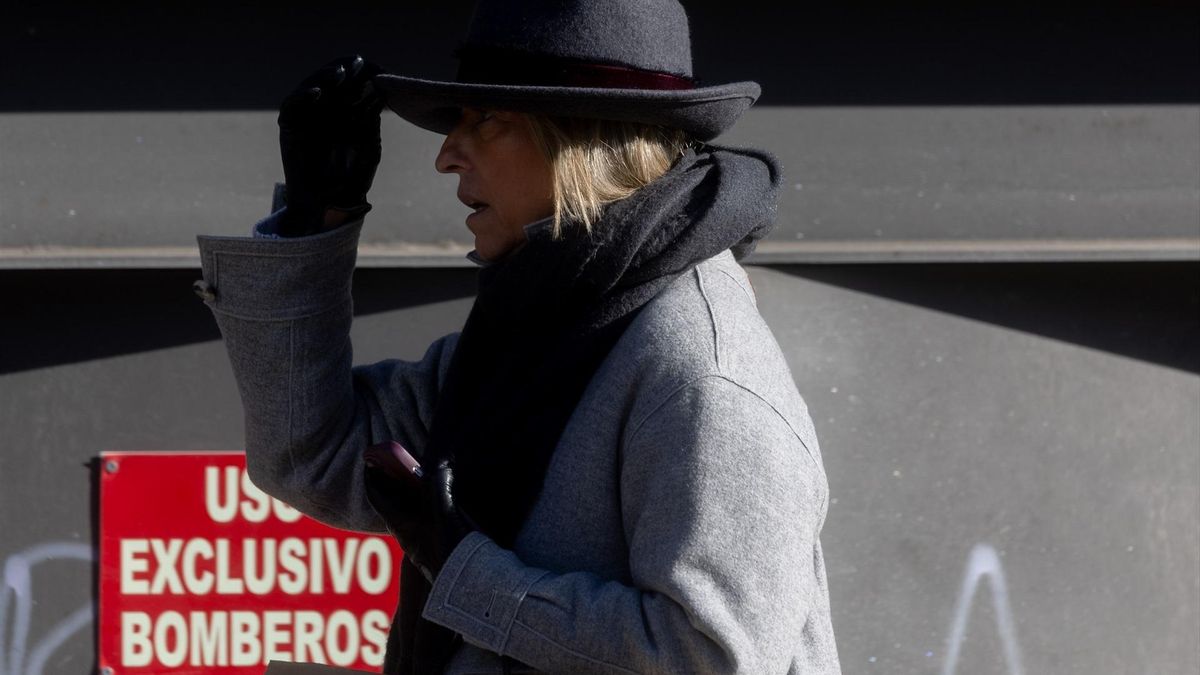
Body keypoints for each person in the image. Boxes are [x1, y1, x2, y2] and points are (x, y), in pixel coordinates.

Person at [194, 1, 840, 672]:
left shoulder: (700, 368)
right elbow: (315, 458)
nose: (447, 156)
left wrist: (465, 570)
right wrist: (314, 219)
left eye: (487, 120)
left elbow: (712, 656)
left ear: (581, 138)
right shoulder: (534, 327)